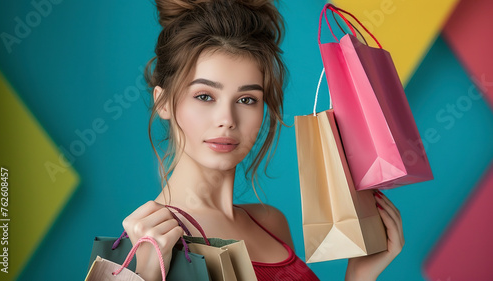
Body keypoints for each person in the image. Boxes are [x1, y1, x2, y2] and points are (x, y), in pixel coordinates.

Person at [122, 1, 404, 280]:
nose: (228, 119)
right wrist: (146, 274)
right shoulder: (147, 240)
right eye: (205, 96)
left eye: (247, 99)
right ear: (163, 103)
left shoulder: (271, 223)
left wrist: (358, 275)